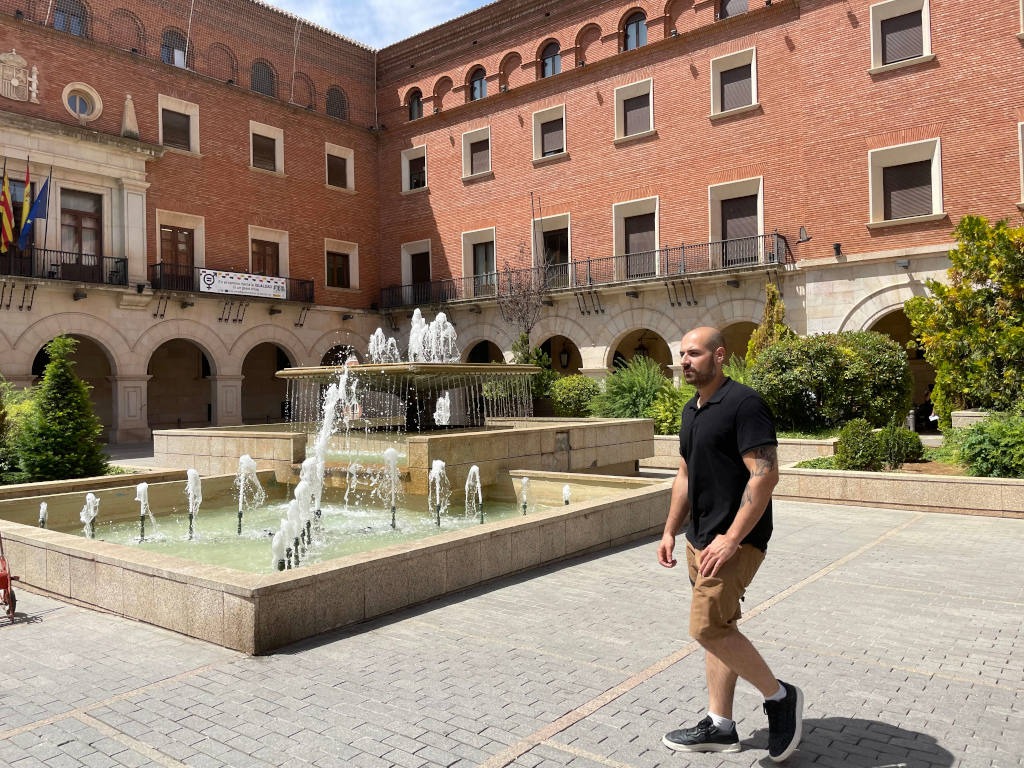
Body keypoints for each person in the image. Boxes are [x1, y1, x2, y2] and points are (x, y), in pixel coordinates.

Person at [657, 326, 803, 761]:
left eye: (694, 353)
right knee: (719, 630)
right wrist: (669, 529)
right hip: (699, 540)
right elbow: (684, 475)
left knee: (704, 627)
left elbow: (765, 475)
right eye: (681, 354)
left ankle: (780, 698)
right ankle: (720, 724)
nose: (685, 360)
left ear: (719, 356)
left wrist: (732, 539)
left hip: (737, 543)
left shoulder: (745, 404)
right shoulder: (691, 410)